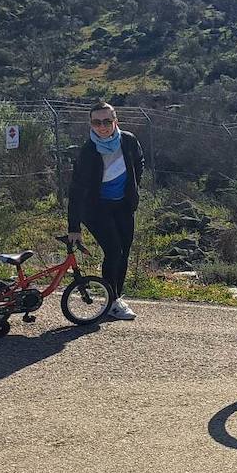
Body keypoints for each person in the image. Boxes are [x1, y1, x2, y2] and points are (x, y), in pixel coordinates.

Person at [67, 101, 145, 320]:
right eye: (96, 122)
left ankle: (115, 296)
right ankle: (112, 301)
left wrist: (134, 189)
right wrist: (74, 227)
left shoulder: (128, 141)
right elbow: (76, 190)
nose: (102, 126)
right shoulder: (88, 151)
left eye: (107, 121)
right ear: (91, 124)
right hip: (95, 208)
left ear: (115, 121)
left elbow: (139, 163)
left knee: (124, 252)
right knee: (114, 251)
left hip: (123, 206)